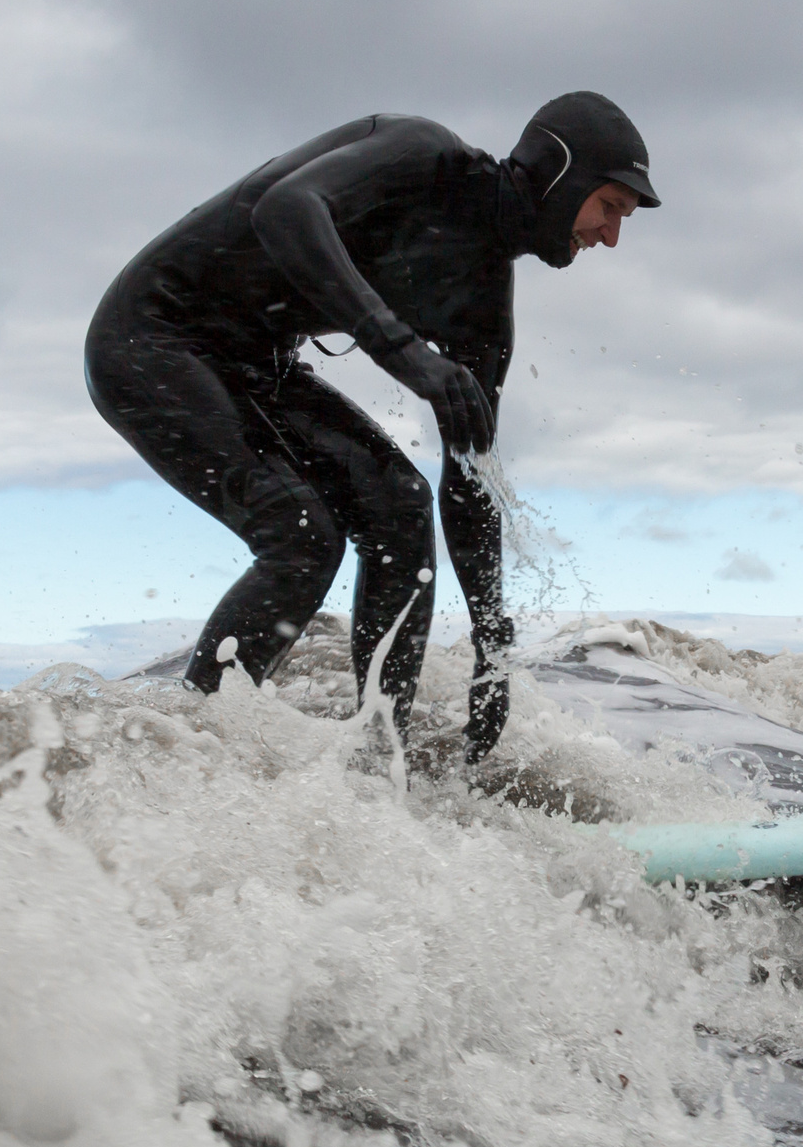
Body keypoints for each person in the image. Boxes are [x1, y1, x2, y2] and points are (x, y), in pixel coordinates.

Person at [85, 92, 656, 761]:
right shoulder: (422, 155)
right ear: (560, 174)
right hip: (152, 334)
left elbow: (470, 480)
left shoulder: (482, 310)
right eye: (610, 206)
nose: (611, 235)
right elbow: (287, 209)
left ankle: (379, 764)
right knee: (301, 535)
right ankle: (183, 757)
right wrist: (403, 349)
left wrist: (492, 646)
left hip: (253, 362)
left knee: (400, 507)